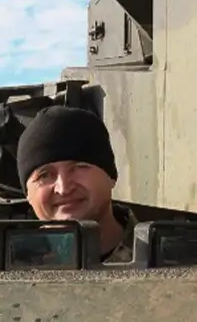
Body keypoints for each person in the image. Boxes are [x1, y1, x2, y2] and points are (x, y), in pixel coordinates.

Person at [14, 106, 132, 263]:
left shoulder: (168, 254)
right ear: (27, 194)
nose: (64, 189)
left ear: (111, 176)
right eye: (45, 175)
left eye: (79, 167)